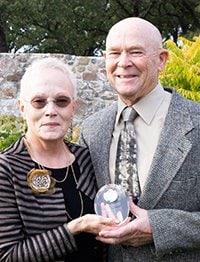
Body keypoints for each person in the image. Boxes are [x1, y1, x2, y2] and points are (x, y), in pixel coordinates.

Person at [79, 17, 200, 261]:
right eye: (115, 53)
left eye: (136, 52)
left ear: (162, 60)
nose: (123, 63)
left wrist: (159, 226)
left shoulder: (195, 121)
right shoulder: (92, 130)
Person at [0, 57, 116, 262]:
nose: (50, 111)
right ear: (22, 108)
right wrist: (77, 227)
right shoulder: (6, 169)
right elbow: (7, 256)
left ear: (73, 107)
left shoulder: (86, 158)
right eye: (39, 102)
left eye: (61, 101)